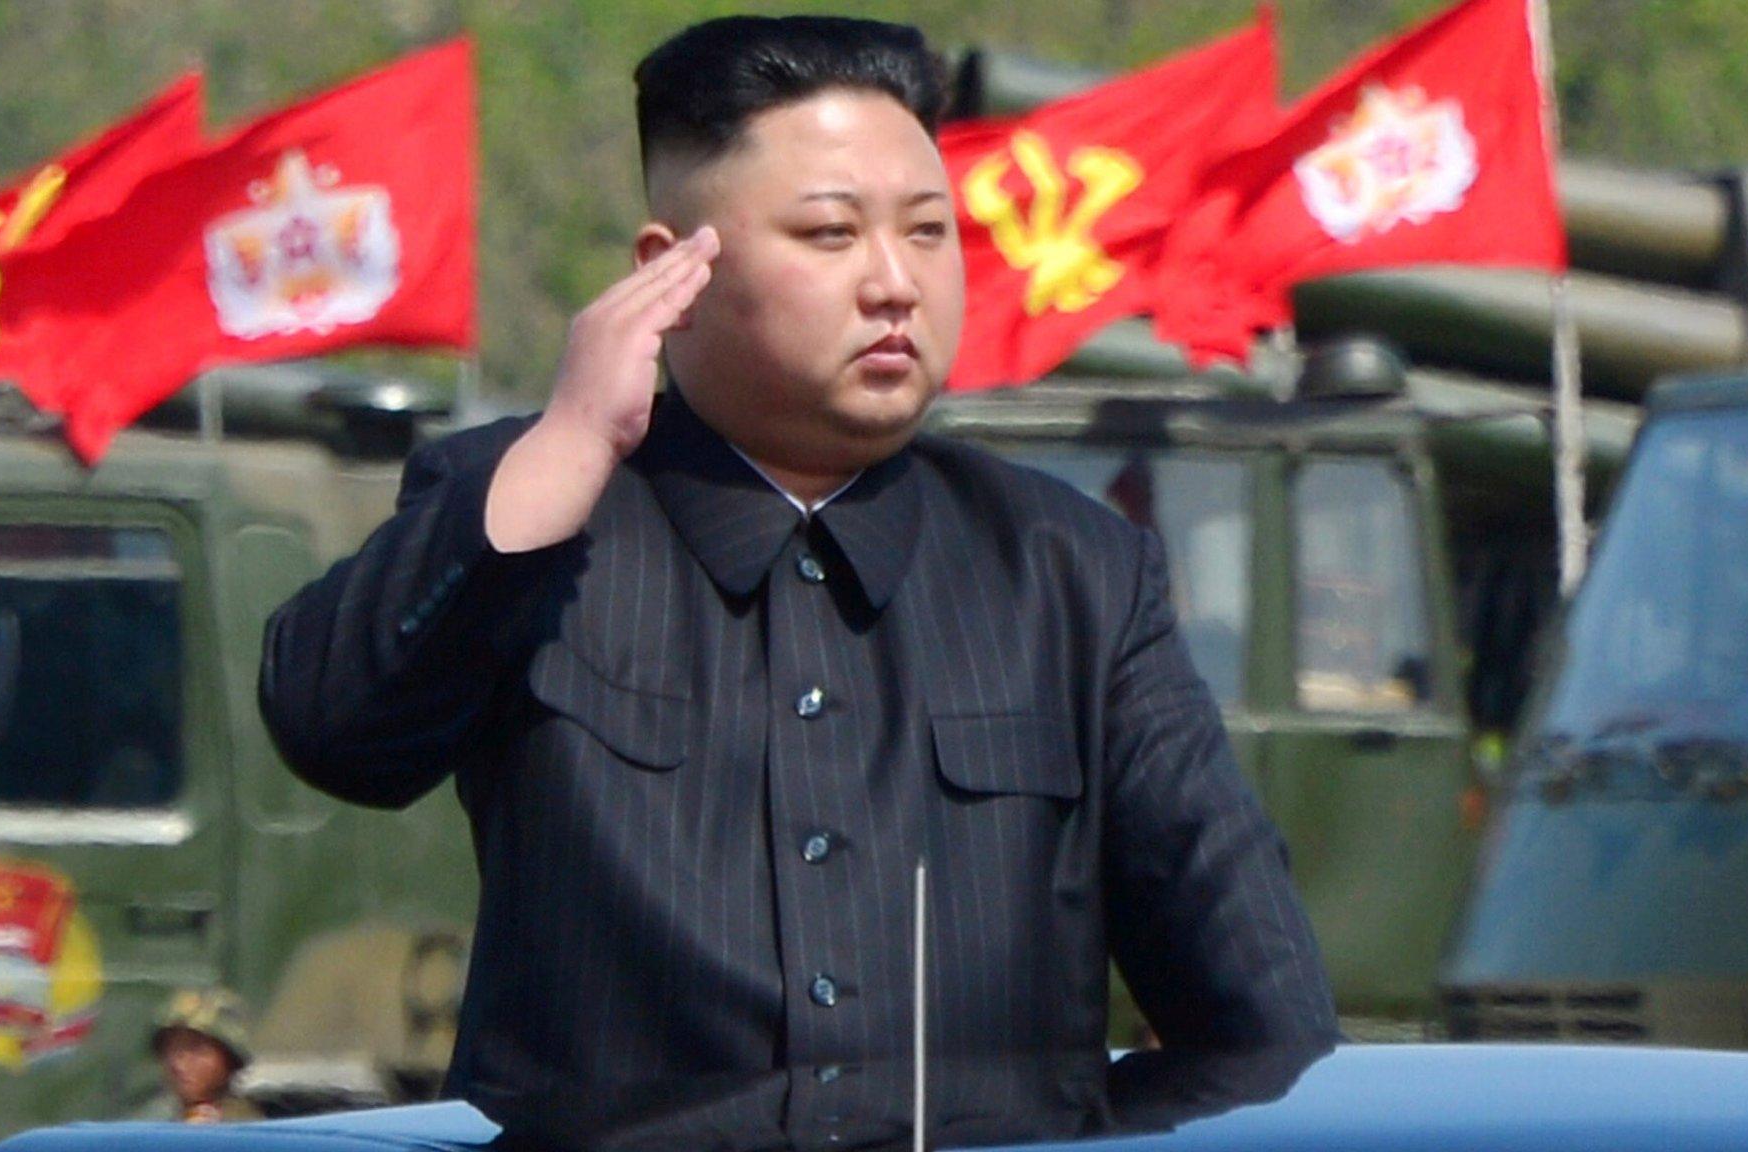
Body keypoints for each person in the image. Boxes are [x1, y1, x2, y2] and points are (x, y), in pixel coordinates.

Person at [259, 14, 1337, 1106]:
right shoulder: (538, 512)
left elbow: (1263, 1027)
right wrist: (572, 441)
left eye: (926, 232)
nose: (894, 284)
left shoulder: (1073, 574)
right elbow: (335, 731)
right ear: (667, 270)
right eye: (830, 234)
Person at [136, 988, 262, 1123]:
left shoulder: (246, 1127)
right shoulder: (152, 1120)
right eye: (170, 1049)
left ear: (229, 1058)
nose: (178, 1065)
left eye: (195, 1049)